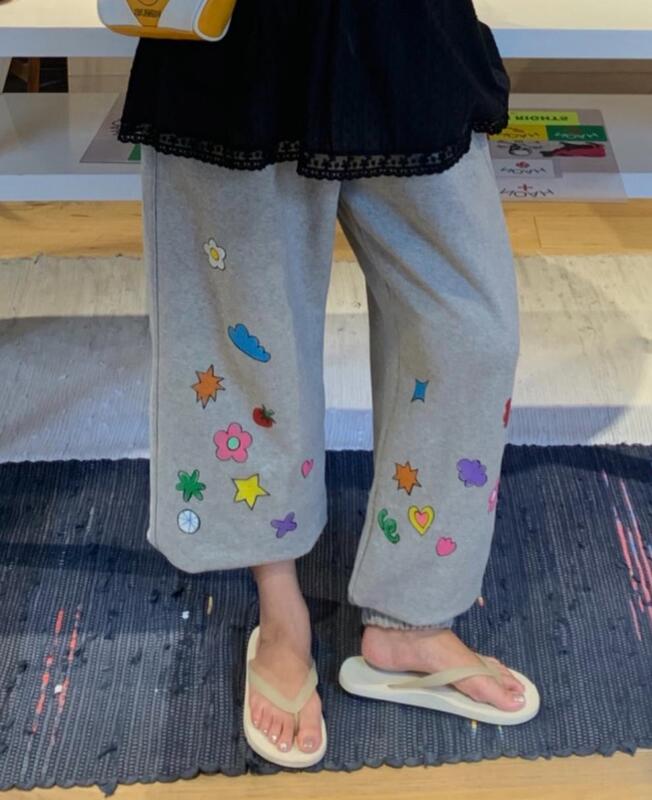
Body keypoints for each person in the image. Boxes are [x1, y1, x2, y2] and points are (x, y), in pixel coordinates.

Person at [117, 0, 538, 767]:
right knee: (249, 337)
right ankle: (281, 614)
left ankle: (412, 617)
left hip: (403, 28)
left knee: (470, 331)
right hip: (238, 34)